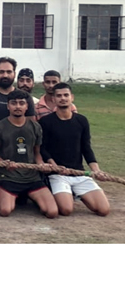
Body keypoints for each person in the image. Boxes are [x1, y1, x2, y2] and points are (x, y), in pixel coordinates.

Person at [39, 83, 109, 216]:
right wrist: (54, 167)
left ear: (72, 97)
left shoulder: (81, 121)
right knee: (66, 210)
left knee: (103, 210)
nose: (63, 98)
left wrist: (96, 170)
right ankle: (62, 192)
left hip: (79, 173)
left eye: (66, 95)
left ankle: (77, 192)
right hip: (58, 174)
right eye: (59, 96)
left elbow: (86, 148)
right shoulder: (46, 122)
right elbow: (43, 149)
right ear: (53, 99)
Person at [0, 89, 58, 218]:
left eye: (21, 103)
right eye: (14, 103)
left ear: (27, 106)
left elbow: (37, 153)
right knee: (5, 211)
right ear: (8, 106)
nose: (18, 106)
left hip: (32, 177)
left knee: (52, 212)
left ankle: (29, 196)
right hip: (9, 177)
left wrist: (41, 165)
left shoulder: (35, 127)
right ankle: (15, 196)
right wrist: (4, 163)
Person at [0, 57, 36, 202]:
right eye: (1, 72)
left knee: (21, 201)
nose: (5, 75)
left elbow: (31, 130)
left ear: (14, 74)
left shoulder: (25, 98)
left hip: (17, 156)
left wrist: (28, 160)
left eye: (9, 72)